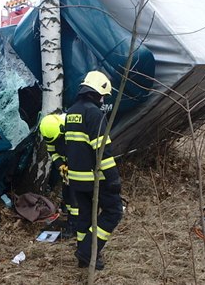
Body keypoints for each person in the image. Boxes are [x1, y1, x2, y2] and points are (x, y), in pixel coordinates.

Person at [65, 71, 122, 271]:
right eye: (103, 95)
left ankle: (83, 255)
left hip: (76, 179)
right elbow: (102, 151)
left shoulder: (72, 111)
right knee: (114, 212)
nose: (103, 99)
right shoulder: (94, 113)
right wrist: (113, 180)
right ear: (97, 93)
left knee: (85, 216)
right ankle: (88, 252)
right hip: (94, 178)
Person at [39, 113, 78, 239]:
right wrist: (60, 164)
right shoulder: (50, 132)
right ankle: (71, 220)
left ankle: (76, 225)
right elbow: (52, 149)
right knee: (68, 194)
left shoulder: (74, 129)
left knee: (75, 196)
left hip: (80, 166)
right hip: (66, 167)